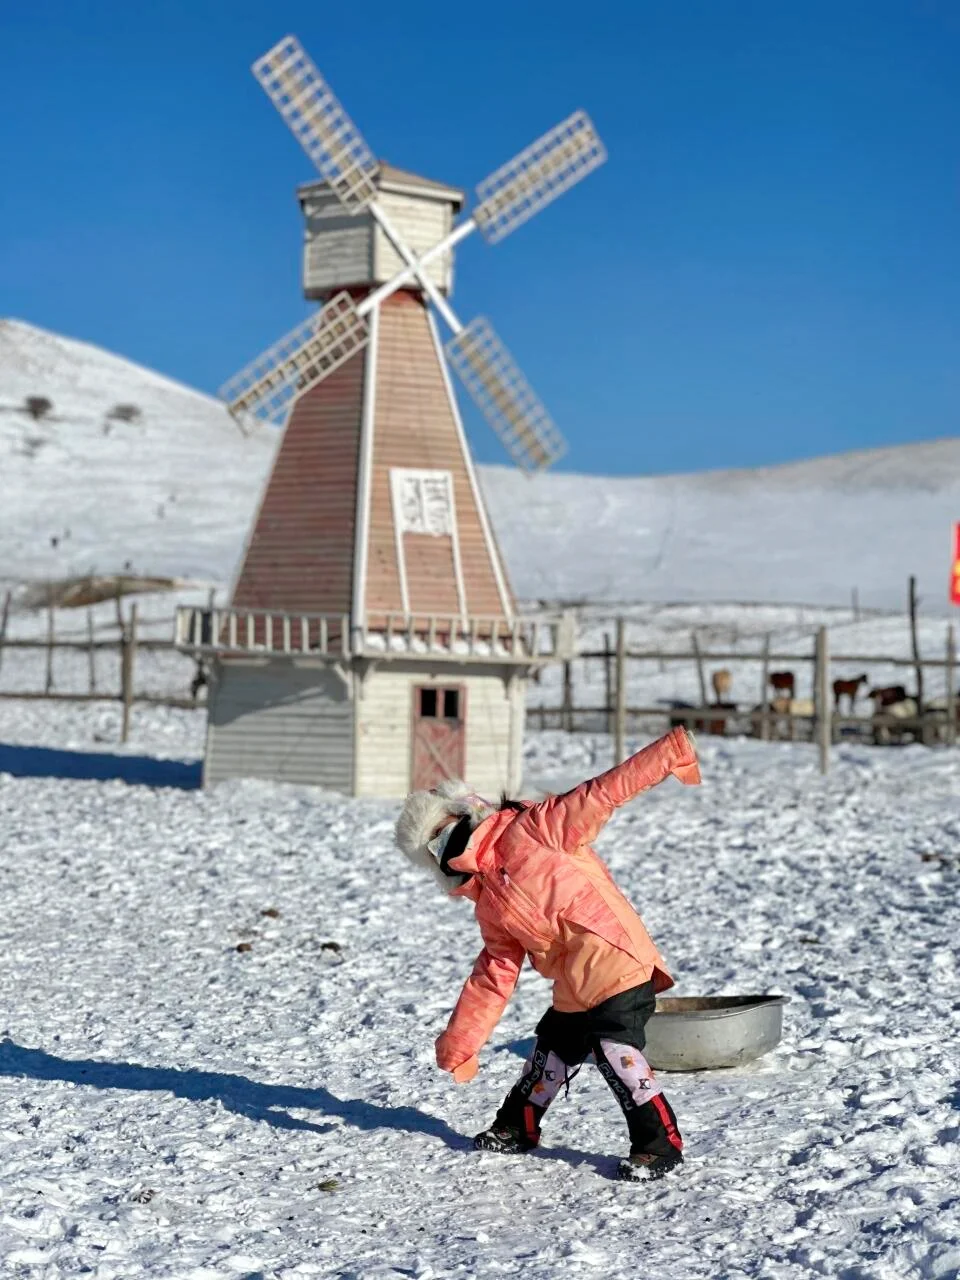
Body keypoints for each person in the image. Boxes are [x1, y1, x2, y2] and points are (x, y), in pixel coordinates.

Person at [394, 725, 701, 1182]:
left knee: (614, 1050)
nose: (448, 848)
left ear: (464, 811)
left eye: (444, 833)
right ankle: (516, 1127)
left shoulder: (536, 828)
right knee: (552, 1051)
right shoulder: (488, 901)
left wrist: (668, 753)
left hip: (617, 959)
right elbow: (493, 975)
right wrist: (463, 1039)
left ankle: (660, 1146)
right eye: (435, 848)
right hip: (574, 984)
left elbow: (602, 793)